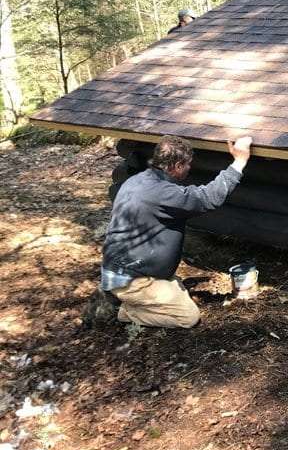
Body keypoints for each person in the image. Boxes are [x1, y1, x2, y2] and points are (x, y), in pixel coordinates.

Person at [88, 135, 252, 328]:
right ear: (177, 165)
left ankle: (138, 293)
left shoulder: (138, 180)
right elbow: (208, 198)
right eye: (188, 164)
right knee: (187, 317)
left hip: (124, 270)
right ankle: (126, 311)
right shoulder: (163, 193)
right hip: (133, 279)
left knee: (175, 287)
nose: (190, 168)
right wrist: (240, 161)